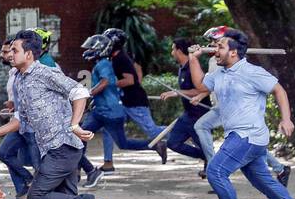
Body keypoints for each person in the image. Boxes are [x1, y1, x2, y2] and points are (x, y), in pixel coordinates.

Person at [0, 30, 117, 199]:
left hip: (64, 146)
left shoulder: (45, 73)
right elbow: (22, 117)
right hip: (51, 147)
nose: (9, 54)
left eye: (15, 50)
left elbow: (80, 92)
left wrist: (75, 124)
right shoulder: (20, 79)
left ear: (29, 54)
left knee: (37, 197)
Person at [187, 30, 295, 199]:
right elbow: (201, 85)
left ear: (233, 53)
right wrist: (193, 59)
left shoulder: (252, 72)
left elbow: (279, 90)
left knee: (215, 171)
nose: (215, 51)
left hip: (247, 135)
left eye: (220, 47)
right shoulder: (219, 74)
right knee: (266, 183)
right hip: (246, 138)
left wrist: (286, 119)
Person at [187, 25, 291, 186]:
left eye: (217, 43)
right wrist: (200, 93)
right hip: (225, 106)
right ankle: (279, 168)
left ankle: (213, 165)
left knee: (203, 126)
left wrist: (286, 119)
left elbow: (276, 90)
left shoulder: (236, 63)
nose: (213, 46)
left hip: (232, 108)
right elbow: (213, 83)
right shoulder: (215, 60)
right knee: (250, 146)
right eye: (213, 43)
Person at [75, 33, 160, 173]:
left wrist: (89, 93)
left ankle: (85, 170)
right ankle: (80, 170)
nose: (89, 51)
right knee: (83, 137)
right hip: (104, 110)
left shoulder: (103, 64)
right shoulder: (105, 63)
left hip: (109, 112)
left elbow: (105, 82)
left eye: (92, 49)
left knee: (81, 137)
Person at [0, 41, 44, 199]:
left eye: (12, 51)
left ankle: (47, 195)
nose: (6, 55)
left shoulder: (37, 73)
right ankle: (24, 187)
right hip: (19, 124)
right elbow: (21, 105)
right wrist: (12, 107)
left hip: (31, 127)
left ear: (27, 54)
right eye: (7, 51)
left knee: (39, 165)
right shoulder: (15, 75)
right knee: (4, 153)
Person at [101, 28, 168, 162]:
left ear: (115, 43)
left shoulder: (121, 58)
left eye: (107, 41)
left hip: (134, 101)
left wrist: (109, 84)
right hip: (122, 101)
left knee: (152, 131)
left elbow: (130, 80)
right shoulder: (114, 58)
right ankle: (108, 162)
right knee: (108, 129)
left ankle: (184, 129)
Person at [156, 38, 209, 166]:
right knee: (173, 143)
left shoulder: (193, 68)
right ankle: (208, 158)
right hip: (188, 114)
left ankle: (212, 162)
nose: (172, 52)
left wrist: (177, 92)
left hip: (199, 114)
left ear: (179, 50)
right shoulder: (182, 68)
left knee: (206, 148)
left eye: (173, 49)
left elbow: (201, 89)